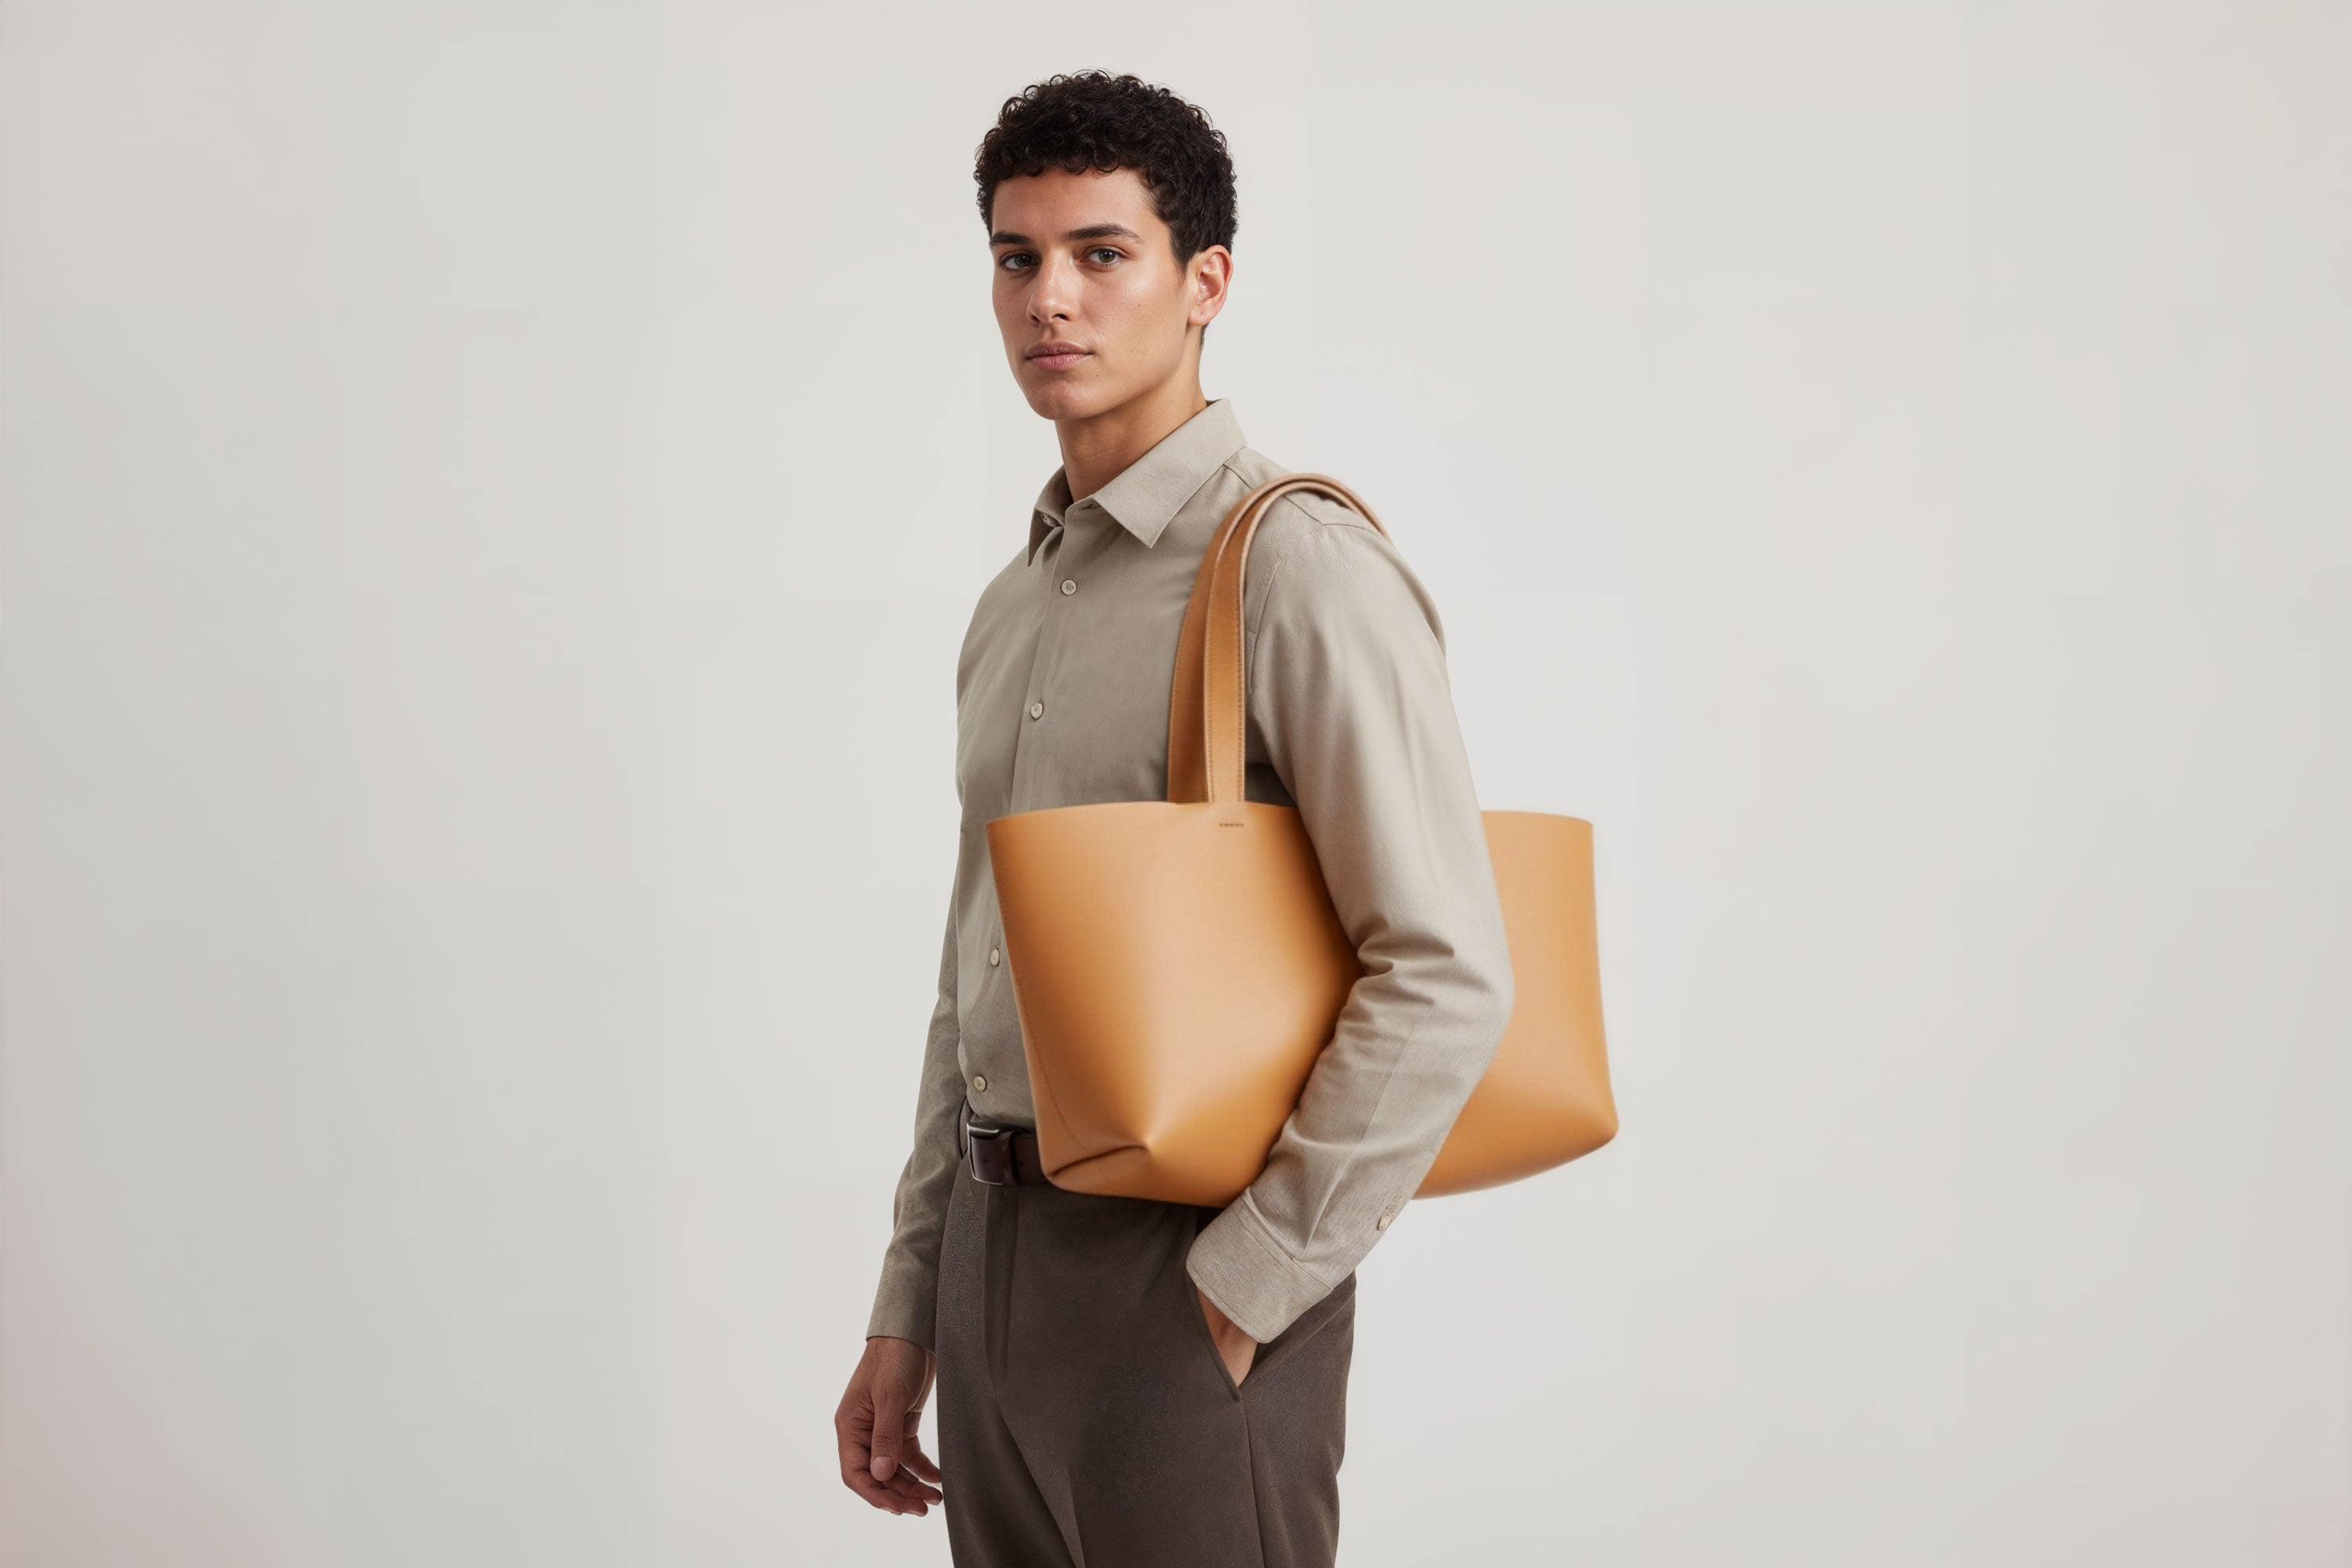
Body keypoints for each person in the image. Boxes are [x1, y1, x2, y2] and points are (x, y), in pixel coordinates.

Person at [833, 70, 1516, 1567]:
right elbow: (977, 978)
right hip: (994, 1267)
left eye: (1101, 253)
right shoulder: (1017, 601)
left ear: (1205, 281)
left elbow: (1447, 967)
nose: (1049, 301)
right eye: (1017, 259)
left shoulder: (1298, 566)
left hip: (1185, 1269)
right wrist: (914, 1299)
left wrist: (1246, 1285)